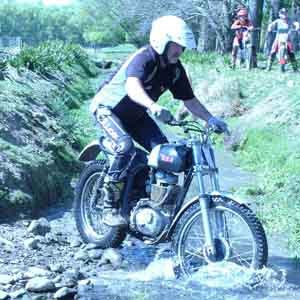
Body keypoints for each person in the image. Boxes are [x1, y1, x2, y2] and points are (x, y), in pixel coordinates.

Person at [90, 15, 228, 227]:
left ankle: (149, 204)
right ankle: (108, 205)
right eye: (176, 46)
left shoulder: (174, 69)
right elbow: (132, 87)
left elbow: (189, 100)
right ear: (161, 40)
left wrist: (211, 119)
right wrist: (153, 106)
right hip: (108, 110)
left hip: (136, 116)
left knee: (164, 153)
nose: (180, 51)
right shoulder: (144, 58)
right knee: (125, 147)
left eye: (182, 47)